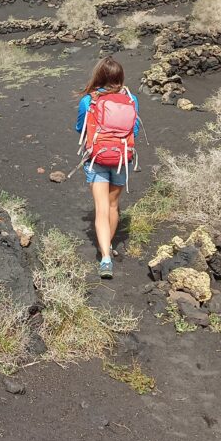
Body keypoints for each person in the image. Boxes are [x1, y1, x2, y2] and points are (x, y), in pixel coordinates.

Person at [75, 56, 139, 279]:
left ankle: (105, 258)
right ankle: (108, 246)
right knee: (113, 206)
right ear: (120, 77)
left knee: (101, 209)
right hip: (122, 158)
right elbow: (135, 131)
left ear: (98, 77)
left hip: (97, 158)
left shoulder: (88, 101)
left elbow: (79, 128)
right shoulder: (131, 99)